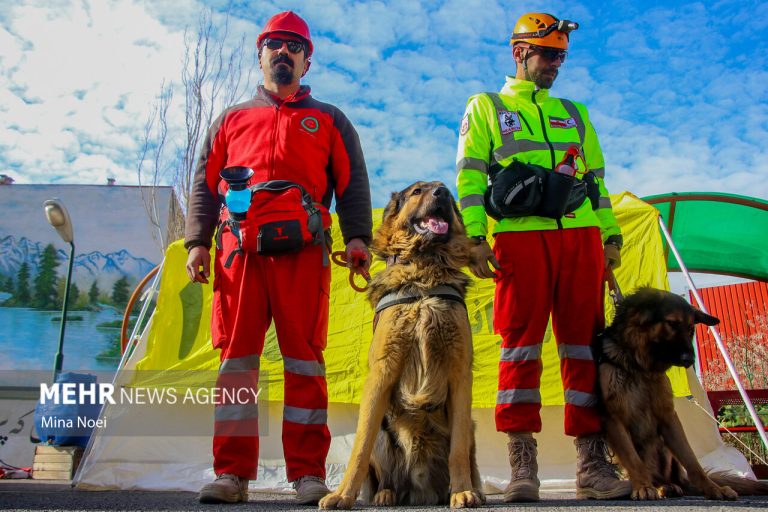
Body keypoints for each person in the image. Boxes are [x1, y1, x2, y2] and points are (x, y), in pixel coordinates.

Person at [184, 11, 373, 505]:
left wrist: (357, 239)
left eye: (294, 46)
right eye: (275, 44)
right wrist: (197, 243)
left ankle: (308, 474)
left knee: (305, 364)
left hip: (304, 255)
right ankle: (231, 474)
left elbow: (353, 186)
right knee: (236, 365)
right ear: (261, 53)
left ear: (307, 61)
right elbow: (205, 188)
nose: (283, 53)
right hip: (237, 256)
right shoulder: (230, 119)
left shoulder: (330, 119)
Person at [455, 12, 629, 502]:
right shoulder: (486, 106)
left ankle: (593, 465)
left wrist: (610, 237)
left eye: (562, 57)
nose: (556, 64)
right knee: (519, 347)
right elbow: (469, 179)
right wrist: (474, 238)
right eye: (548, 54)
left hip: (580, 241)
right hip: (519, 240)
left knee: (585, 348)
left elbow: (596, 182)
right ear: (520, 52)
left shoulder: (575, 113)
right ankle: (522, 465)